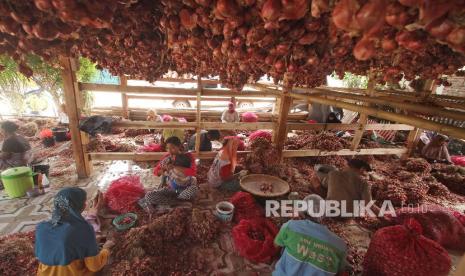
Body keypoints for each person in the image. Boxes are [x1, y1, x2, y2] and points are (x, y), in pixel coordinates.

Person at [35, 187, 114, 276]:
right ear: (82, 206)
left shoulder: (41, 227)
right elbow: (94, 266)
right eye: (84, 202)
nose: (86, 204)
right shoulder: (84, 230)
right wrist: (106, 249)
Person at [273, 194, 348, 276]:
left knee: (285, 245)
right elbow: (340, 272)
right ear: (323, 215)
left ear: (303, 211)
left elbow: (276, 246)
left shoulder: (290, 226)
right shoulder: (340, 246)